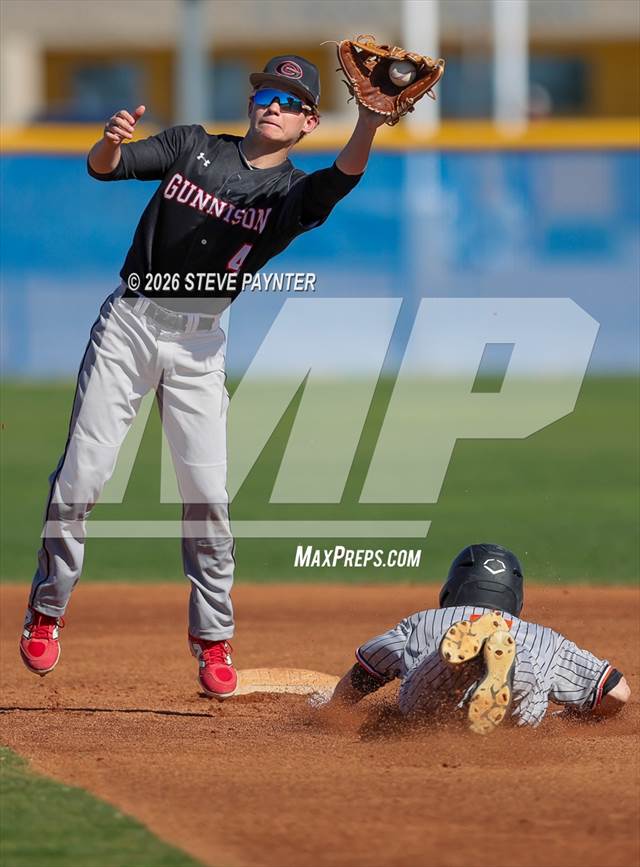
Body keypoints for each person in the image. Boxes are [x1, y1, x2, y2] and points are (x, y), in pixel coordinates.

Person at [19, 55, 386, 700]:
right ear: (251, 105)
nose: (273, 105)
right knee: (82, 477)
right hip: (131, 323)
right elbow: (105, 168)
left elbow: (342, 179)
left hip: (199, 345)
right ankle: (47, 614)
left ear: (307, 123)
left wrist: (371, 122)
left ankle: (214, 640)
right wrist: (108, 143)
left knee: (208, 497)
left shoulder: (287, 195)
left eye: (290, 101)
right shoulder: (192, 145)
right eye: (266, 94)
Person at [324, 544, 630, 733]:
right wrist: (568, 719)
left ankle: (464, 659)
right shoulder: (547, 639)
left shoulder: (423, 621)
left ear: (452, 588)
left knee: (432, 677)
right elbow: (617, 693)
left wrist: (333, 709)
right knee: (527, 686)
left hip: (430, 708)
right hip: (517, 702)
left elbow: (368, 669)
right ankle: (508, 665)